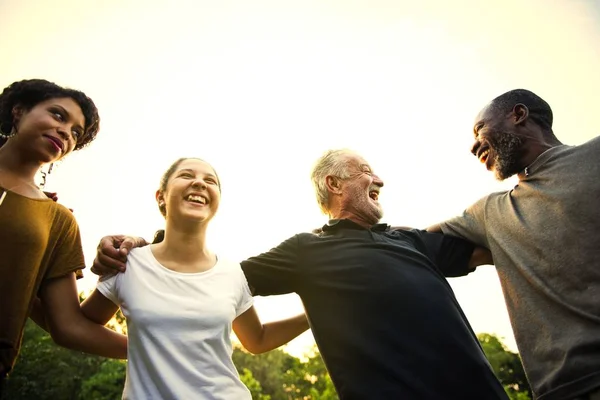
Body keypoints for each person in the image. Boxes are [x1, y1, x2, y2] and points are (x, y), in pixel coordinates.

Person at [93, 149, 509, 399]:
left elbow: (499, 248)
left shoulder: (413, 240)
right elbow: (210, 279)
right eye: (365, 169)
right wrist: (142, 244)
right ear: (334, 183)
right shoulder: (306, 250)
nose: (378, 177)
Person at [81, 157, 309, 399]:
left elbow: (257, 339)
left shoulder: (232, 273)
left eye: (210, 180)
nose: (200, 183)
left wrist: (313, 314)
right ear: (161, 196)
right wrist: (142, 348)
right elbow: (77, 325)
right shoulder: (128, 263)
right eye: (187, 176)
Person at [429, 89, 600, 400]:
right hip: (562, 392)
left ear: (518, 115)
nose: (473, 145)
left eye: (480, 128)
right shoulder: (490, 213)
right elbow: (412, 241)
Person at [0, 79, 127, 390]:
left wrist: (158, 348)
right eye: (58, 115)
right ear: (19, 111)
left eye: (75, 133)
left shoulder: (58, 220)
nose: (65, 132)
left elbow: (67, 325)